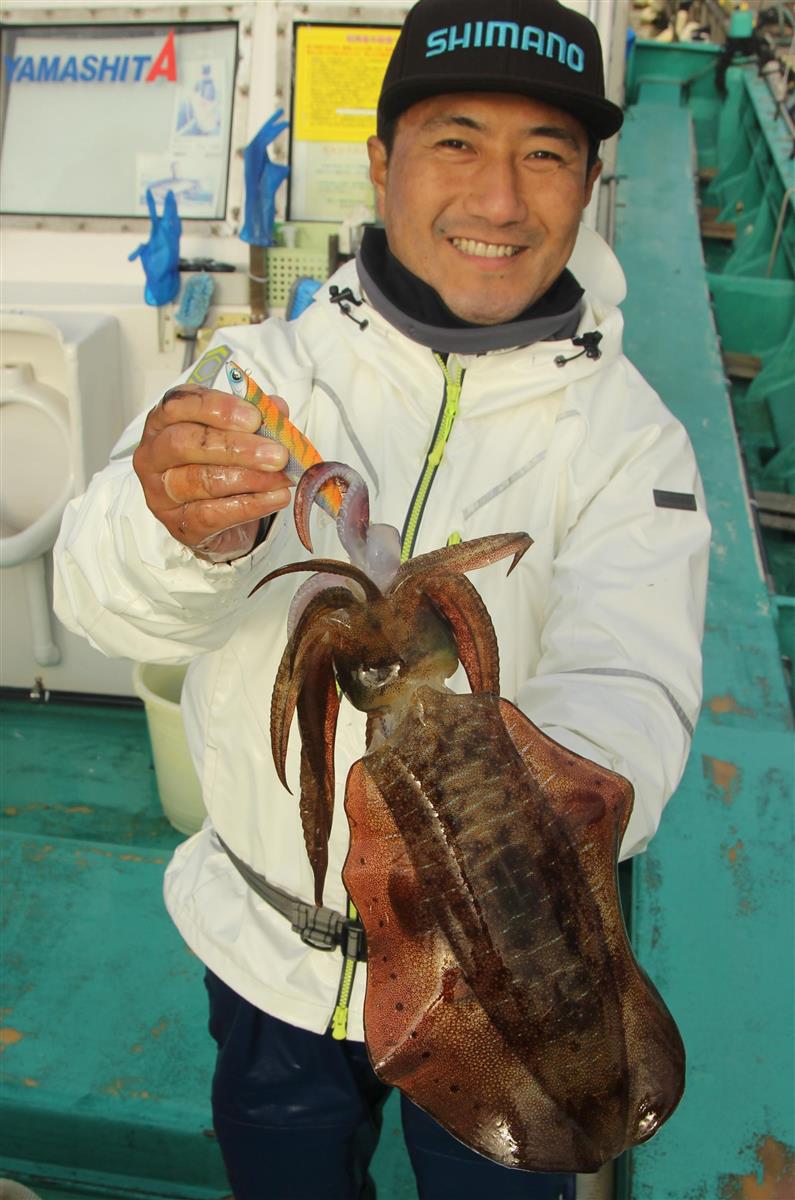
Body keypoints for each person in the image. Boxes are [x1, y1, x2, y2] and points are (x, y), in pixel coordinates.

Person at [54, 0, 710, 1196]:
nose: (500, 200)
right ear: (382, 161)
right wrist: (171, 529)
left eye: (545, 153)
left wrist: (476, 772)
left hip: (501, 975)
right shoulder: (260, 378)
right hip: (270, 958)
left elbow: (634, 689)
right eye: (457, 140)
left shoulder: (633, 443)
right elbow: (104, 608)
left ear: (589, 183)